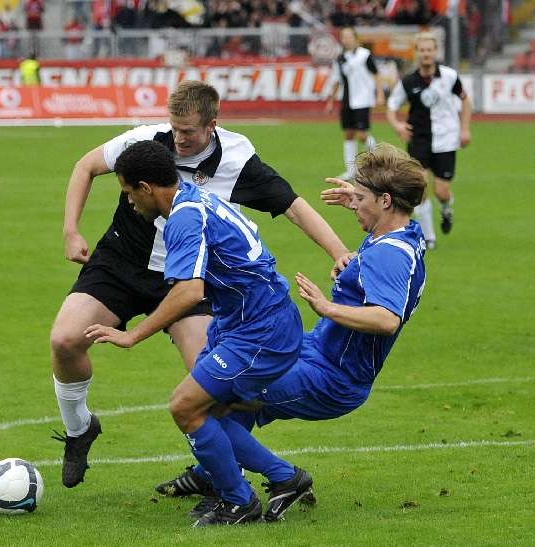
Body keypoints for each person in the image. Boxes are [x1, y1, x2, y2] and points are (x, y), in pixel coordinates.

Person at [49, 81, 348, 490]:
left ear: (212, 126)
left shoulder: (238, 160)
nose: (179, 139)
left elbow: (293, 207)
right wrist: (70, 230)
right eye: (175, 128)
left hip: (192, 279)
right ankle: (79, 428)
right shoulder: (147, 141)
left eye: (188, 131)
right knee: (65, 340)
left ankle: (222, 476)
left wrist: (339, 252)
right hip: (123, 262)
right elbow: (86, 165)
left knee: (211, 391)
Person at [156, 143, 427, 523]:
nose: (355, 205)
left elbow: (386, 320)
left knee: (214, 400)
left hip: (333, 376)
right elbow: (383, 253)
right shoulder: (400, 235)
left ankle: (283, 478)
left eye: (363, 198)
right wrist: (360, 204)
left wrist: (328, 307)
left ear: (385, 201)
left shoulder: (390, 254)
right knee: (234, 383)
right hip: (316, 351)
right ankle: (213, 476)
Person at [84, 140, 303, 527]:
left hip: (261, 329)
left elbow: (189, 291)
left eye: (129, 192)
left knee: (185, 407)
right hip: (246, 322)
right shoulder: (192, 198)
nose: (129, 202)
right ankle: (286, 479)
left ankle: (240, 502)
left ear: (146, 188)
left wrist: (132, 335)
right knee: (210, 410)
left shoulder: (184, 216)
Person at [386, 31, 471, 250]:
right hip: (419, 139)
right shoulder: (409, 81)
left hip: (445, 139)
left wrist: (464, 129)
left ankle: (446, 208)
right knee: (420, 188)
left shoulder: (450, 77)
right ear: (417, 53)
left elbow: (466, 100)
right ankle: (428, 237)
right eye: (422, 50)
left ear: (436, 52)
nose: (426, 54)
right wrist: (397, 125)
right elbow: (392, 106)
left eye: (429, 50)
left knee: (441, 192)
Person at [325, 26, 385, 180]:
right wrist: (331, 101)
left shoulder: (364, 55)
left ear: (355, 38)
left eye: (349, 36)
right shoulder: (340, 58)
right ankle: (351, 171)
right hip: (347, 100)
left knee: (362, 135)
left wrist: (379, 93)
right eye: (343, 36)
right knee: (348, 134)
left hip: (363, 99)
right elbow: (337, 80)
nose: (346, 39)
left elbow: (376, 74)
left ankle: (380, 158)